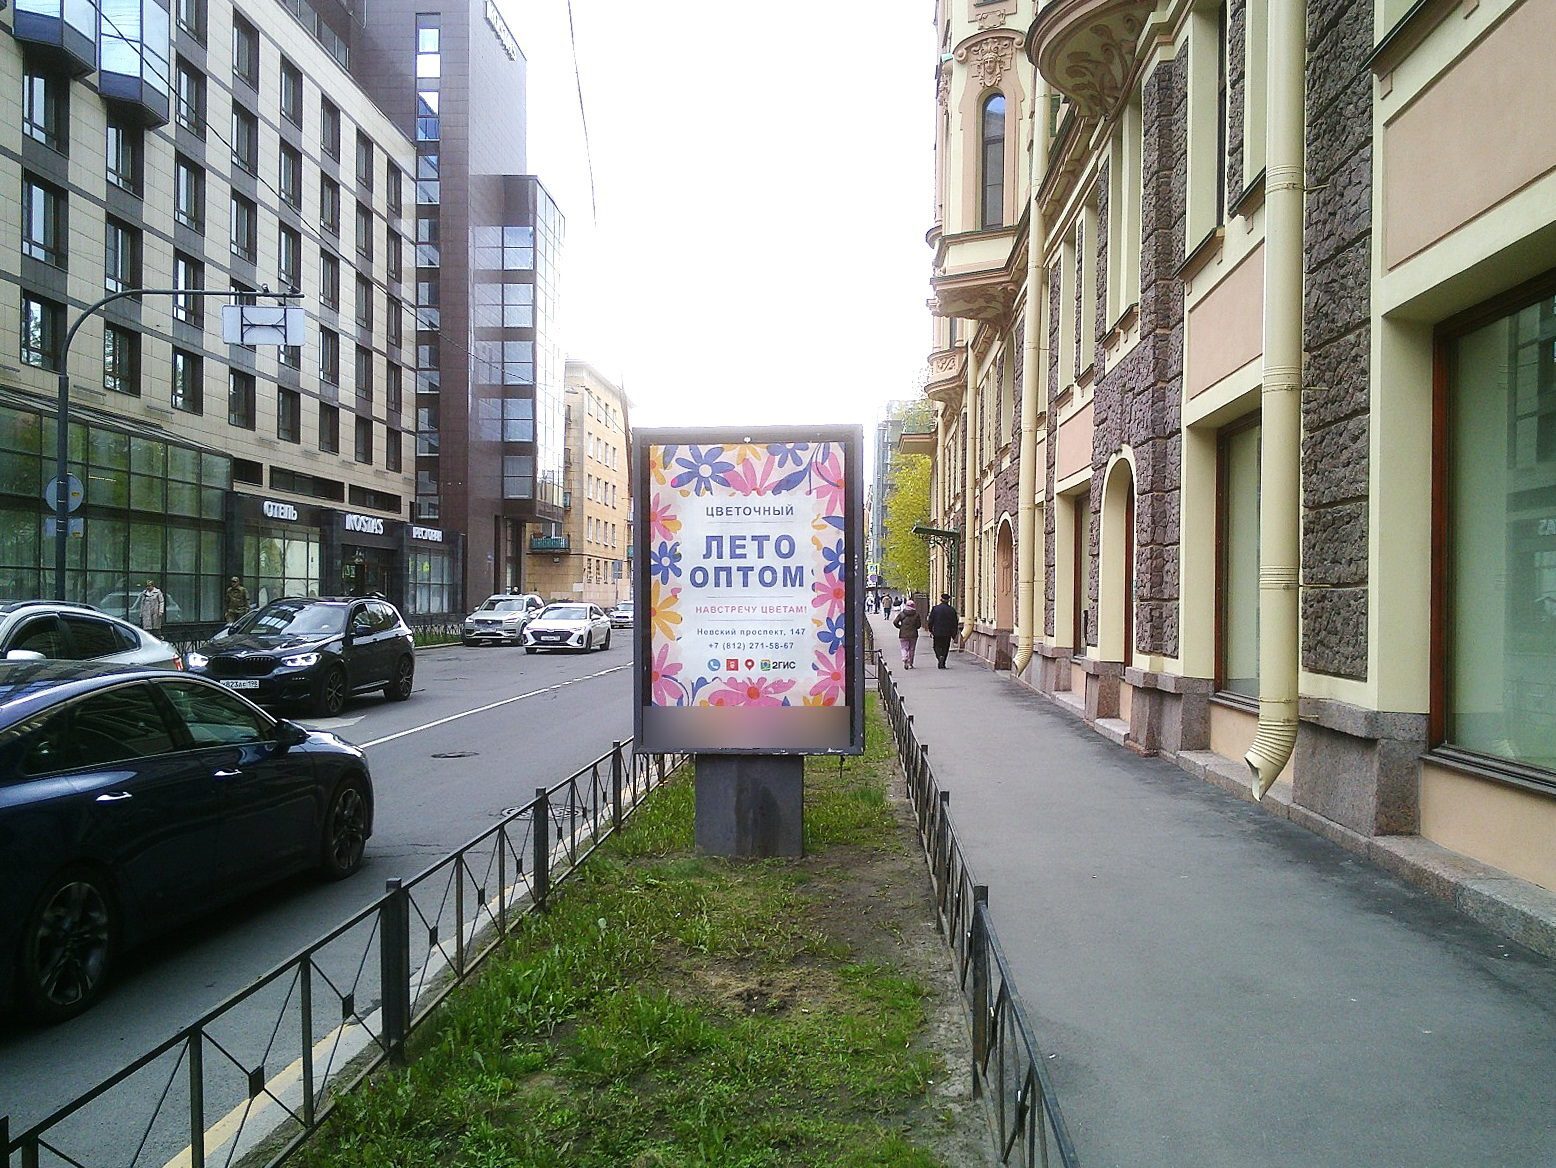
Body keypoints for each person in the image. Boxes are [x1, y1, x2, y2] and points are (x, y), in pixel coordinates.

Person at [927, 593, 959, 669]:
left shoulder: (935, 609)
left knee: (936, 646)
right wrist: (954, 634)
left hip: (937, 632)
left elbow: (930, 620)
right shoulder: (952, 610)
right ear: (948, 600)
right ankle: (943, 662)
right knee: (945, 647)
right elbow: (955, 623)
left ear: (941, 599)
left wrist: (930, 630)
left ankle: (939, 656)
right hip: (947, 632)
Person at [892, 597, 923, 668]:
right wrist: (915, 627)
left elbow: (895, 622)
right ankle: (910, 663)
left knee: (904, 647)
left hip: (903, 634)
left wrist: (900, 627)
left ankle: (904, 657)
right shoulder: (916, 615)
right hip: (913, 634)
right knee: (911, 649)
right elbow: (919, 625)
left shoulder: (902, 614)